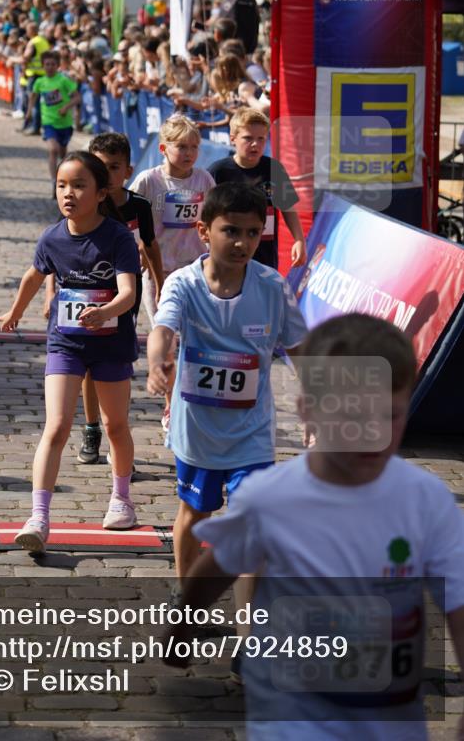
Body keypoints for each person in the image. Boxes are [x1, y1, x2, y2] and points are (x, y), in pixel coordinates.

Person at [163, 313, 464, 741]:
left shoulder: (426, 502)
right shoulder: (269, 498)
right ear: (308, 410)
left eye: (390, 416)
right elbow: (218, 566)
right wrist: (183, 625)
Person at [147, 182, 307, 582]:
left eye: (253, 232)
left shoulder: (272, 286)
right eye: (231, 231)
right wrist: (156, 363)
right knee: (196, 513)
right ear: (204, 231)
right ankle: (187, 601)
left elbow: (302, 348)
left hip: (251, 433)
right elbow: (163, 329)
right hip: (198, 431)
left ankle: (248, 627)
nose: (243, 242)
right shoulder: (183, 283)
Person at [0, 151, 141, 553]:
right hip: (66, 343)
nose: (68, 194)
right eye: (61, 185)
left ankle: (121, 499)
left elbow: (128, 291)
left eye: (78, 185)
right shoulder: (52, 236)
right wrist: (16, 311)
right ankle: (38, 517)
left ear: (100, 193)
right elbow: (34, 274)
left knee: (115, 427)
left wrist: (107, 310)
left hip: (111, 343)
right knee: (56, 426)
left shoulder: (118, 237)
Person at [76, 131, 164, 464]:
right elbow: (61, 250)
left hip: (126, 296)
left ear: (127, 170)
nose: (107, 175)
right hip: (88, 294)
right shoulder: (85, 204)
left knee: (117, 366)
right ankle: (91, 426)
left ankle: (117, 429)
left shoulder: (139, 206)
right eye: (99, 167)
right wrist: (51, 293)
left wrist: (160, 282)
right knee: (88, 366)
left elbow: (152, 247)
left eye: (114, 167)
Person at [131, 114, 216, 430]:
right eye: (182, 146)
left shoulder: (204, 180)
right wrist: (137, 246)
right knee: (167, 339)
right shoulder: (148, 181)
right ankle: (170, 406)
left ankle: (185, 400)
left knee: (193, 337)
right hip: (159, 271)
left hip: (195, 271)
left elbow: (213, 220)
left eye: (195, 146)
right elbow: (127, 219)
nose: (190, 153)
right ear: (164, 147)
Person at [209, 109, 306, 271]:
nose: (255, 144)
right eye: (248, 138)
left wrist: (299, 239)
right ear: (233, 139)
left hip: (264, 256)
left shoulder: (274, 169)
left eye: (261, 139)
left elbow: (287, 206)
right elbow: (205, 213)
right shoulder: (218, 171)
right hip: (227, 254)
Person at [26, 50, 80, 194]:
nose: (49, 67)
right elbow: (33, 97)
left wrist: (66, 107)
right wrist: (29, 112)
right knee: (53, 150)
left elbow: (77, 97)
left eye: (52, 64)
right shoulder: (39, 82)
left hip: (65, 123)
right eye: (47, 64)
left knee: (63, 154)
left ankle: (64, 178)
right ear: (43, 66)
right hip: (48, 122)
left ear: (57, 65)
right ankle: (54, 182)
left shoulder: (63, 80)